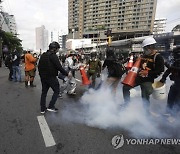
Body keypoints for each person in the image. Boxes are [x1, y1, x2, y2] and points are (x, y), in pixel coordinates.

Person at [123, 37, 164, 109]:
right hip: (139, 77)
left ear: (150, 47)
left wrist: (148, 73)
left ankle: (146, 112)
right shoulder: (144, 55)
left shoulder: (158, 57)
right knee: (125, 87)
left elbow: (160, 71)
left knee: (145, 95)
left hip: (147, 80)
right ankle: (127, 104)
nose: (144, 50)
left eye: (145, 48)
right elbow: (139, 66)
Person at [38, 41, 69, 114]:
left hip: (43, 77)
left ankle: (42, 109)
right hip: (51, 77)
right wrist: (66, 74)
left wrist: (41, 76)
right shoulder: (53, 56)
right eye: (57, 49)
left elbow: (39, 66)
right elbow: (59, 67)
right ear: (54, 49)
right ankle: (51, 106)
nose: (58, 51)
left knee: (44, 92)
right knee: (57, 91)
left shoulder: (43, 55)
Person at [160, 46, 180, 115]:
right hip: (176, 83)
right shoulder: (176, 62)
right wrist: (163, 78)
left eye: (176, 54)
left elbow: (173, 68)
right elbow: (169, 70)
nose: (174, 56)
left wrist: (170, 67)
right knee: (171, 97)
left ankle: (175, 115)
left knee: (178, 101)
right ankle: (168, 112)